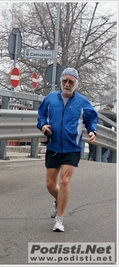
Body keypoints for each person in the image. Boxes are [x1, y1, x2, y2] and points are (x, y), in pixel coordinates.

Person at [37, 67, 98, 232]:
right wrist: (43, 126)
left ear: (76, 83)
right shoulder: (50, 99)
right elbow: (40, 116)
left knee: (64, 181)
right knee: (50, 184)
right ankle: (58, 201)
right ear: (60, 81)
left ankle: (59, 219)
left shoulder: (82, 102)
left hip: (72, 146)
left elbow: (91, 118)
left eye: (71, 81)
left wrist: (92, 130)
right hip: (54, 145)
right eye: (65, 80)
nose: (67, 84)